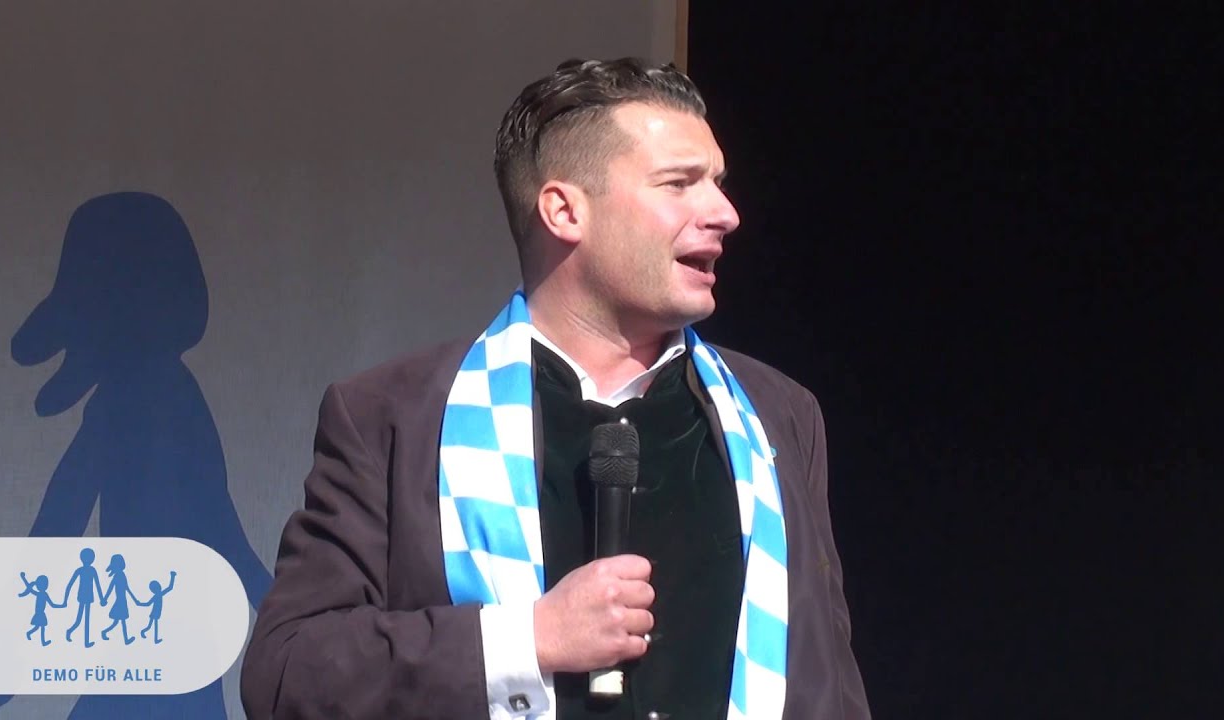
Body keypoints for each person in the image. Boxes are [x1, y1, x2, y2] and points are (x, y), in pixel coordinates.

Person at [242, 57, 869, 719]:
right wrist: (530, 640)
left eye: (717, 183)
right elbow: (288, 672)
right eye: (679, 184)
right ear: (565, 211)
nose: (725, 213)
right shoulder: (395, 416)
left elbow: (831, 681)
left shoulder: (778, 413)